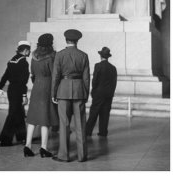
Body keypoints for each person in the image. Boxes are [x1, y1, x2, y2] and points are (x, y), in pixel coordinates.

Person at [51, 29, 90, 162]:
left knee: (64, 124)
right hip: (79, 90)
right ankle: (82, 155)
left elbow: (55, 76)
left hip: (63, 90)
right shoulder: (83, 55)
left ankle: (64, 155)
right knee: (80, 124)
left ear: (66, 40)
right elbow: (86, 78)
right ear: (77, 41)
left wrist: (53, 93)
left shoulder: (60, 55)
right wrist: (86, 93)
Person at [23, 33, 59, 158]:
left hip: (36, 87)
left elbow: (32, 74)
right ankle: (43, 148)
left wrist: (37, 82)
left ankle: (27, 146)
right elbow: (54, 75)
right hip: (47, 87)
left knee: (32, 118)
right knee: (45, 119)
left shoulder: (33, 56)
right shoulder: (51, 57)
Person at [0, 40, 31, 146]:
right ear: (25, 50)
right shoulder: (23, 62)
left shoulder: (12, 60)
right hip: (18, 90)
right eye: (29, 50)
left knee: (19, 113)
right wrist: (24, 95)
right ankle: (4, 140)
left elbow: (5, 75)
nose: (29, 52)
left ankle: (22, 137)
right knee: (13, 114)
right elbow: (23, 81)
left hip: (11, 89)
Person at [86, 47, 117, 138]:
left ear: (100, 56)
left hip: (98, 93)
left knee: (94, 113)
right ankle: (103, 131)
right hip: (108, 94)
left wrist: (93, 91)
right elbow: (114, 82)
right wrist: (111, 92)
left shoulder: (98, 66)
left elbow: (95, 80)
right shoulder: (113, 68)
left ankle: (88, 131)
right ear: (108, 57)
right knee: (105, 113)